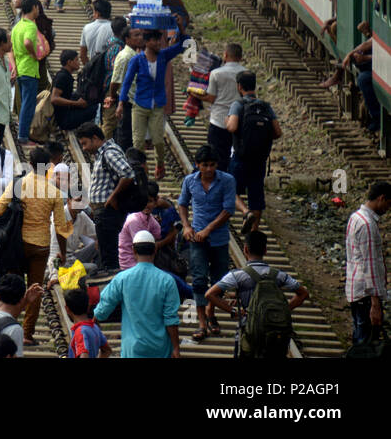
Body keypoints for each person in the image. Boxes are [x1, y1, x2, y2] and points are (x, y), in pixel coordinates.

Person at [0, 146, 70, 346]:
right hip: (40, 247)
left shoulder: (18, 184)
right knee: (36, 287)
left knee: (15, 286)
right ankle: (27, 333)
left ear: (30, 164)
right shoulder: (54, 192)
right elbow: (61, 228)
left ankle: (9, 325)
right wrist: (63, 252)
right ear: (49, 165)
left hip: (17, 245)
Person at [205, 230, 309, 358]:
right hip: (275, 332)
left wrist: (233, 311)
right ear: (265, 250)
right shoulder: (279, 275)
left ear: (245, 249)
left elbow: (210, 294)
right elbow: (303, 293)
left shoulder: (237, 275)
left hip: (249, 331)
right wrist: (284, 310)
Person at [177, 145, 236, 343]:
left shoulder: (227, 181)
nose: (209, 169)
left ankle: (211, 311)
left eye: (212, 165)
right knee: (200, 279)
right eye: (205, 165)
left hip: (218, 238)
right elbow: (182, 204)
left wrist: (208, 230)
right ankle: (202, 323)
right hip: (196, 239)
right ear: (198, 165)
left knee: (220, 280)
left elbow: (228, 209)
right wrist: (186, 226)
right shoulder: (189, 181)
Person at [93, 230, 181, 358]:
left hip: (132, 349)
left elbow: (104, 307)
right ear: (155, 250)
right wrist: (176, 348)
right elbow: (171, 319)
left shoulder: (122, 278)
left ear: (133, 250)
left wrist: (95, 319)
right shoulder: (167, 280)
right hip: (160, 349)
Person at [119, 29, 190, 180]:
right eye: (154, 40)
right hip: (139, 105)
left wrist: (180, 27)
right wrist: (121, 102)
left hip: (157, 106)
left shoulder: (163, 56)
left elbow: (184, 43)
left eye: (159, 40)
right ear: (146, 42)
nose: (158, 43)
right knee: (138, 141)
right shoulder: (137, 60)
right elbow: (126, 82)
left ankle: (160, 164)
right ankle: (142, 168)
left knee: (158, 139)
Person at [225, 71, 282, 238]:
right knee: (256, 194)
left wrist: (227, 122)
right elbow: (277, 132)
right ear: (254, 85)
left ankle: (245, 211)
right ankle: (254, 232)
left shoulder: (238, 104)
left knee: (230, 190)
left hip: (240, 157)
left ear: (239, 86)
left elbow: (233, 127)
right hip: (259, 159)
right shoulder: (265, 106)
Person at [78, 122, 135, 273]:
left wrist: (113, 196)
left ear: (95, 138)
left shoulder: (109, 152)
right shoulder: (103, 154)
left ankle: (110, 285)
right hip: (103, 212)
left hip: (107, 212)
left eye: (85, 143)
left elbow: (128, 174)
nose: (84, 148)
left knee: (109, 256)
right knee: (106, 253)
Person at [344, 181, 391, 346]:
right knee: (366, 343)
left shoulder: (355, 217)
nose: (388, 209)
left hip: (355, 289)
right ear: (381, 198)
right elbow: (370, 266)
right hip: (365, 294)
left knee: (360, 338)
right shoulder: (368, 225)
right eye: (388, 204)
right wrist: (376, 304)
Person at [11, 0, 44, 142]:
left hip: (20, 68)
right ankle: (24, 135)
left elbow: (11, 48)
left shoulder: (18, 25)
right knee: (28, 104)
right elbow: (27, 42)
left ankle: (23, 132)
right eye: (37, 7)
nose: (38, 10)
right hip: (29, 69)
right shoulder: (31, 25)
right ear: (34, 8)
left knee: (25, 101)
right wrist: (35, 55)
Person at [51, 49, 92, 132]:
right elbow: (54, 98)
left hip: (66, 113)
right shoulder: (62, 77)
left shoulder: (66, 75)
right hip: (64, 119)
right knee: (94, 109)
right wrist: (77, 104)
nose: (79, 63)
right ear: (69, 62)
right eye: (76, 60)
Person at [65, 288, 111, 358]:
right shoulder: (95, 327)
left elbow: (84, 355)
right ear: (88, 306)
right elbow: (107, 350)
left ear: (67, 309)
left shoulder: (80, 332)